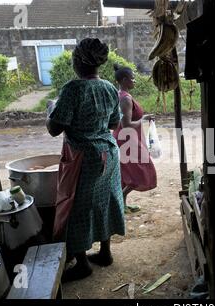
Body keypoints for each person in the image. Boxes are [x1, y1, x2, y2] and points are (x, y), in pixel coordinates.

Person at [46, 38, 125, 282]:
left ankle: (82, 264)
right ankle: (105, 252)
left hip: (83, 158)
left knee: (77, 207)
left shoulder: (73, 89)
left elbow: (54, 129)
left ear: (78, 61)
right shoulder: (110, 88)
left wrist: (51, 110)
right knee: (105, 200)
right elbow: (114, 123)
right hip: (109, 153)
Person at [112, 64, 157, 213]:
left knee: (127, 173)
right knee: (141, 171)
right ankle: (121, 199)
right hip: (127, 140)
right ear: (124, 80)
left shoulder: (119, 95)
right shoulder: (125, 99)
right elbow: (127, 125)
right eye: (132, 78)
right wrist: (143, 119)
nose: (135, 81)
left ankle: (122, 204)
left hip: (125, 139)